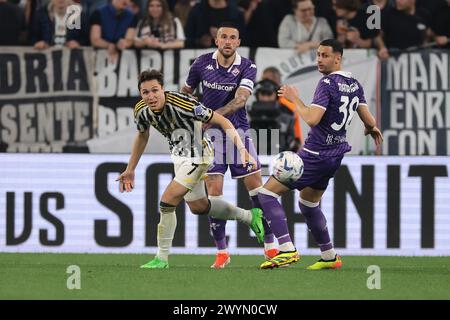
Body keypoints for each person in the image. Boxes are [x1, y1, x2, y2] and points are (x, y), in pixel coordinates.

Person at [116, 69, 265, 269]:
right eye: (145, 92)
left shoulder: (184, 104)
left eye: (155, 90)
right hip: (180, 157)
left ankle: (161, 258)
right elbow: (142, 136)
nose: (151, 96)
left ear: (163, 90)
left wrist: (243, 151)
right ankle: (249, 216)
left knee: (167, 201)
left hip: (200, 155)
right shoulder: (141, 110)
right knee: (199, 207)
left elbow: (223, 120)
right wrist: (130, 168)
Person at [257, 39, 383, 269]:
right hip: (334, 157)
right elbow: (370, 120)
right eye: (318, 55)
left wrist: (294, 98)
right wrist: (371, 128)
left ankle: (286, 249)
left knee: (266, 194)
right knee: (308, 204)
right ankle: (329, 256)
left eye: (325, 55)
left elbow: (312, 119)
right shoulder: (354, 84)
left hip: (314, 154)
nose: (319, 60)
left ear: (338, 58)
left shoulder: (327, 83)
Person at [181, 21, 278, 269]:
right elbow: (187, 92)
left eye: (232, 38)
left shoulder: (247, 66)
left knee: (257, 188)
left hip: (238, 133)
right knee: (214, 191)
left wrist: (211, 116)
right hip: (209, 138)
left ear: (238, 42)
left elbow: (240, 99)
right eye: (223, 37)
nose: (227, 41)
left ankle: (269, 246)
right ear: (216, 40)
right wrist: (189, 109)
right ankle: (222, 251)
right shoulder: (201, 63)